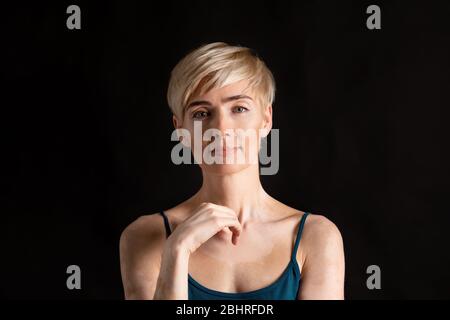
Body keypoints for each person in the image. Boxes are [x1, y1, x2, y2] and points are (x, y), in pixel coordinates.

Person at [119, 42, 345, 299]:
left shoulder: (315, 236)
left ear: (266, 119)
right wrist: (177, 250)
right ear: (180, 130)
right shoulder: (144, 237)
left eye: (239, 108)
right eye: (201, 113)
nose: (221, 128)